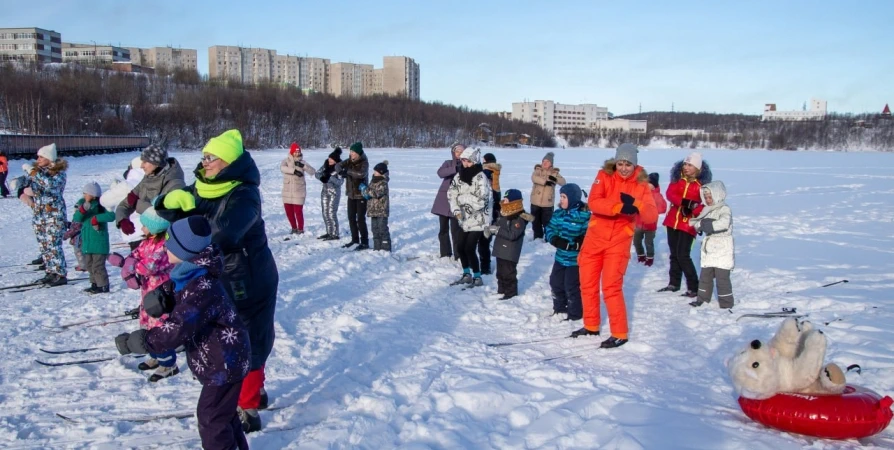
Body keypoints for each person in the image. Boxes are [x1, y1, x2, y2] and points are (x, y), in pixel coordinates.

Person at [155, 129, 278, 433]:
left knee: (247, 341)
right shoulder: (203, 186)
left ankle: (248, 406)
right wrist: (170, 201)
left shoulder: (245, 193)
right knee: (226, 341)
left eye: (211, 157)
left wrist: (190, 213)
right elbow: (169, 215)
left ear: (229, 161)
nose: (205, 162)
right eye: (204, 156)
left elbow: (222, 232)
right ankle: (253, 391)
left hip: (247, 279)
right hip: (218, 275)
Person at [114, 216, 251, 450]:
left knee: (211, 418)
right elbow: (180, 290)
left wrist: (146, 341)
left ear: (186, 249)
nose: (165, 246)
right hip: (222, 359)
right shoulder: (191, 271)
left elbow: (178, 328)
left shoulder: (202, 285)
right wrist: (165, 294)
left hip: (225, 363)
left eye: (171, 243)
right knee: (224, 416)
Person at [574, 144, 658, 348]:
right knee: (587, 284)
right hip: (595, 238)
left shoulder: (641, 184)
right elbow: (594, 201)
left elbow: (651, 215)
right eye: (620, 163)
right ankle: (591, 325)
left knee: (611, 287)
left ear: (634, 164)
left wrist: (637, 204)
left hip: (619, 241)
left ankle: (620, 332)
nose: (623, 168)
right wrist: (618, 207)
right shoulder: (603, 175)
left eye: (628, 164)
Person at [128, 207, 179, 381]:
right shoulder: (147, 241)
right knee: (147, 325)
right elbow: (137, 254)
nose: (141, 229)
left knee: (159, 327)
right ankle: (156, 357)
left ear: (156, 227)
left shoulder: (164, 245)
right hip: (147, 293)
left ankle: (168, 364)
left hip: (160, 295)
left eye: (145, 226)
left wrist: (130, 266)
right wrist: (129, 259)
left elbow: (150, 267)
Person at [659, 152, 712, 298]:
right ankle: (673, 283)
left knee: (683, 255)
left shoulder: (703, 186)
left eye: (690, 165)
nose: (686, 167)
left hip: (688, 224)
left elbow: (706, 205)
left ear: (698, 168)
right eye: (685, 164)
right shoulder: (678, 179)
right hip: (672, 221)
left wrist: (694, 207)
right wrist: (685, 202)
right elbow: (670, 194)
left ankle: (694, 287)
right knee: (674, 255)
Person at [20, 144, 69, 286]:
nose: (38, 159)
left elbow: (49, 185)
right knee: (44, 246)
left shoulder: (58, 173)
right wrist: (20, 186)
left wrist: (34, 173)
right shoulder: (39, 172)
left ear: (49, 157)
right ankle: (50, 271)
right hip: (39, 214)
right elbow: (31, 188)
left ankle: (60, 273)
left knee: (53, 245)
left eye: (41, 156)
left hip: (53, 215)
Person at [115, 144, 185, 239]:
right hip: (147, 235)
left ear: (157, 163)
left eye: (145, 162)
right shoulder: (148, 178)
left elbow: (162, 218)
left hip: (165, 241)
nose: (141, 165)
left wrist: (136, 204)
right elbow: (125, 203)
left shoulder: (175, 185)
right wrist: (122, 219)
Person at [447, 147, 491, 288]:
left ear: (474, 161)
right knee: (460, 247)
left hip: (479, 219)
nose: (465, 164)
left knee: (470, 247)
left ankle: (477, 277)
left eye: (467, 161)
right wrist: (455, 209)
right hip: (464, 218)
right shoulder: (459, 176)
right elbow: (451, 194)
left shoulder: (481, 177)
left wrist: (463, 198)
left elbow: (481, 200)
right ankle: (466, 274)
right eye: (463, 161)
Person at [545, 183, 590, 320]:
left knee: (571, 286)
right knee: (555, 282)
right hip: (560, 258)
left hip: (575, 261)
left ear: (573, 198)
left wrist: (579, 242)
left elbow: (590, 234)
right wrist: (556, 240)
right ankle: (559, 309)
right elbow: (549, 229)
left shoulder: (584, 216)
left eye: (564, 197)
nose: (561, 200)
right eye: (561, 197)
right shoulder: (558, 214)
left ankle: (575, 313)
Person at [690, 181, 735, 309]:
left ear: (718, 195)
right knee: (705, 276)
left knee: (722, 278)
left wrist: (708, 224)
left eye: (710, 197)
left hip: (722, 247)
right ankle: (702, 299)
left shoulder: (724, 209)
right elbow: (698, 223)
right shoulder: (707, 210)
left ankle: (726, 303)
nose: (708, 200)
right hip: (709, 248)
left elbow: (724, 223)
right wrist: (700, 225)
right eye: (706, 197)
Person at [484, 189, 532, 300]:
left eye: (506, 200)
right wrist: (490, 229)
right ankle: (501, 290)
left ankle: (511, 293)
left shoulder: (519, 217)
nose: (503, 202)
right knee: (500, 273)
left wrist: (496, 230)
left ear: (513, 202)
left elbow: (512, 235)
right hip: (500, 249)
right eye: (504, 199)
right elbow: (497, 224)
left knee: (508, 273)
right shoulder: (503, 213)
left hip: (510, 252)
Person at [71, 182, 114, 294]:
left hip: (99, 241)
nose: (84, 195)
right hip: (87, 241)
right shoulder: (81, 203)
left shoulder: (102, 204)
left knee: (98, 265)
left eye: (87, 193)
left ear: (94, 195)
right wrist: (82, 210)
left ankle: (103, 285)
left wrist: (96, 218)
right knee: (89, 265)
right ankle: (94, 284)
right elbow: (76, 218)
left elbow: (111, 216)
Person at [101, 157, 146, 251]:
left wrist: (114, 188)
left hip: (135, 232)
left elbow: (104, 201)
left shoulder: (126, 185)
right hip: (154, 231)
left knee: (141, 264)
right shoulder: (153, 182)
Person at [432, 143, 464, 258]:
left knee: (456, 231)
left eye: (461, 151)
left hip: (458, 202)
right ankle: (445, 253)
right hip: (444, 201)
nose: (459, 154)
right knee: (443, 230)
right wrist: (454, 169)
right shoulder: (448, 163)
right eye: (457, 151)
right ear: (453, 153)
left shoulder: (468, 164)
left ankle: (458, 254)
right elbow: (440, 173)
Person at [340, 142, 370, 250]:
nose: (351, 154)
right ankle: (355, 239)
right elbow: (338, 165)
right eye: (350, 152)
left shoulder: (364, 162)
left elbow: (361, 174)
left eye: (353, 152)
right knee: (351, 218)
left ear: (358, 153)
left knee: (360, 219)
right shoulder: (349, 161)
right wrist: (340, 170)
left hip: (361, 194)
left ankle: (365, 242)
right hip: (351, 194)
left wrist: (347, 171)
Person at [633, 173, 668, 267]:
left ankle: (650, 258)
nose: (647, 185)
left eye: (649, 183)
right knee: (636, 241)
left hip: (650, 225)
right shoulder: (640, 193)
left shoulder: (657, 195)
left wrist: (653, 209)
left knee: (648, 242)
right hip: (638, 224)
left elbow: (663, 208)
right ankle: (640, 255)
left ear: (654, 185)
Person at [280, 142, 315, 235]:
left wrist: (303, 166)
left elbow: (312, 171)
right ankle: (293, 228)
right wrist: (294, 171)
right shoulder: (286, 161)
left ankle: (300, 229)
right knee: (289, 212)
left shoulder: (302, 162)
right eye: (295, 152)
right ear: (291, 152)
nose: (297, 153)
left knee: (298, 212)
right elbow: (282, 168)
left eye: (298, 151)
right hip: (287, 191)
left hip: (299, 191)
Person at [530, 152, 566, 240]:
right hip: (535, 202)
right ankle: (537, 238)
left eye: (547, 161)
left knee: (547, 222)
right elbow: (534, 178)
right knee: (535, 222)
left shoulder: (555, 173)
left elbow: (563, 182)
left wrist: (555, 179)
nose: (545, 163)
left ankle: (548, 238)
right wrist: (545, 182)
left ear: (551, 163)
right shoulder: (538, 170)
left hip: (548, 203)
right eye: (543, 161)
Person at [479, 153, 502, 274]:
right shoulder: (495, 171)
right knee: (484, 240)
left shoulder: (488, 170)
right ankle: (484, 266)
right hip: (492, 210)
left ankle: (485, 267)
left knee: (483, 240)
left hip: (489, 210)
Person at [361, 161, 392, 252]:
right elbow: (370, 192)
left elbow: (376, 193)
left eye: (376, 171)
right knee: (374, 229)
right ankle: (377, 247)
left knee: (382, 229)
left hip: (381, 211)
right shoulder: (373, 180)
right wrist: (365, 192)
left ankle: (386, 248)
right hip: (372, 210)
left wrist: (365, 189)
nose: (374, 173)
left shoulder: (383, 183)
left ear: (381, 172)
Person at [315, 147, 344, 240]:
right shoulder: (325, 165)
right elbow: (317, 173)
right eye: (329, 158)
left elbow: (340, 182)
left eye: (331, 159)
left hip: (334, 193)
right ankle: (329, 232)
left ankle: (335, 234)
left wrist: (330, 178)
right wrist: (322, 177)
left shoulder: (339, 167)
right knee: (325, 212)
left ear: (335, 160)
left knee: (331, 213)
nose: (329, 160)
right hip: (324, 192)